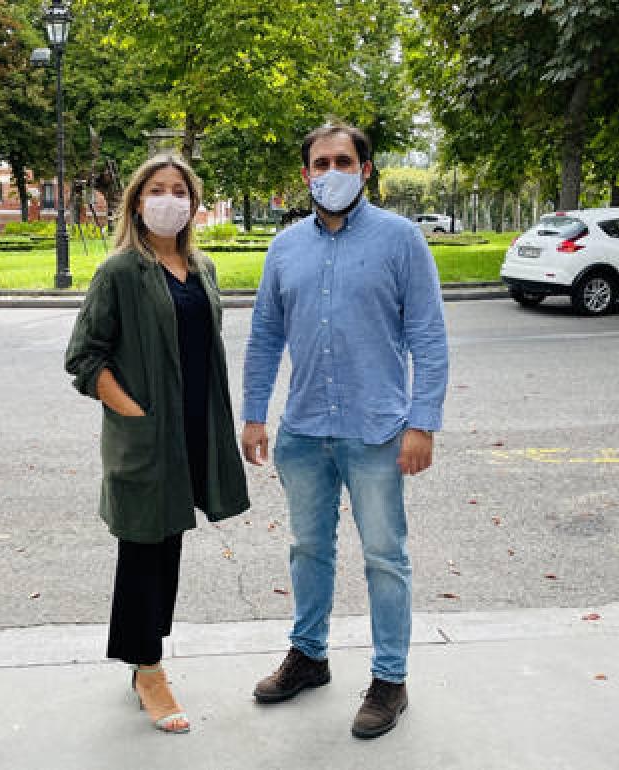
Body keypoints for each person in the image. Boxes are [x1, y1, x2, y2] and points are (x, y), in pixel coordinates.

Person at [241, 124, 449, 740]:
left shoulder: (401, 241)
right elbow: (263, 337)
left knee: (385, 556)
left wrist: (424, 423)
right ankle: (309, 655)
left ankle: (391, 679)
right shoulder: (285, 248)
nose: (330, 171)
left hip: (377, 431)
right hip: (304, 431)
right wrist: (255, 414)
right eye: (320, 162)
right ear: (306, 174)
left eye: (343, 160)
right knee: (309, 549)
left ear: (365, 169)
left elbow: (429, 340)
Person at [65, 154, 250, 735]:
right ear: (137, 201)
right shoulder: (120, 271)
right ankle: (150, 668)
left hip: (195, 431)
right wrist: (133, 412)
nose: (168, 199)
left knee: (166, 546)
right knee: (145, 548)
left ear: (193, 204)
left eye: (179, 190)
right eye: (156, 189)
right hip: (148, 436)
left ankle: (141, 653)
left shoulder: (203, 269)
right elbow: (83, 357)